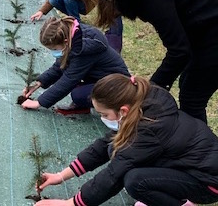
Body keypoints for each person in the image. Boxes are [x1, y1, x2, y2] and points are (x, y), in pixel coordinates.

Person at [84, 0, 218, 123]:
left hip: (212, 32)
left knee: (192, 95)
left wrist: (149, 91)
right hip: (205, 27)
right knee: (189, 84)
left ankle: (201, 150)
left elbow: (179, 51)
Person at [35, 74, 218, 206]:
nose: (102, 118)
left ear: (123, 110)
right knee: (115, 148)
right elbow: (105, 144)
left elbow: (113, 175)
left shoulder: (149, 130)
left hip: (208, 182)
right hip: (192, 164)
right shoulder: (142, 103)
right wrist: (61, 175)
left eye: (104, 114)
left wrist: (70, 204)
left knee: (135, 180)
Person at [20, 17, 129, 114]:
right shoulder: (73, 38)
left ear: (66, 41)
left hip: (118, 87)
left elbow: (69, 80)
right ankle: (84, 105)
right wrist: (38, 83)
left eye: (54, 49)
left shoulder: (83, 51)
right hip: (101, 79)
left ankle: (119, 105)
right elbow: (59, 66)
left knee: (78, 95)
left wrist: (39, 103)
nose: (54, 52)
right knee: (78, 89)